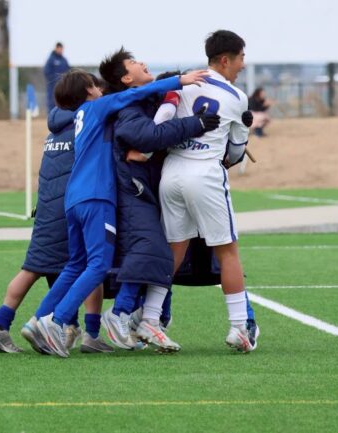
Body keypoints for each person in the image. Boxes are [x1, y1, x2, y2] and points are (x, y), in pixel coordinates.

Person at [29, 67, 209, 358]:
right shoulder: (98, 107)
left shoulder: (80, 116)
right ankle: (56, 321)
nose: (101, 89)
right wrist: (178, 81)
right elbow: (135, 93)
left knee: (76, 264)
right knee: (99, 265)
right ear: (89, 91)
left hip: (74, 198)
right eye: (96, 85)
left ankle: (38, 319)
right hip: (96, 197)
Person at [98, 50, 220, 352]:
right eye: (133, 63)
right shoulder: (128, 106)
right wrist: (195, 124)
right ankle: (119, 313)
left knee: (162, 255)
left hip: (149, 189)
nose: (142, 63)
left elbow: (155, 139)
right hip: (133, 190)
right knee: (151, 249)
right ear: (127, 79)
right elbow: (147, 136)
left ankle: (151, 318)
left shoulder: (147, 102)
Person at [0, 76, 113, 355]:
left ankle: (6, 324)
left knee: (37, 267)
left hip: (46, 207)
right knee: (88, 265)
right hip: (73, 204)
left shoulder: (54, 128)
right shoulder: (86, 123)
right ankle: (87, 333)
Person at [159, 30, 258, 352]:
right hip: (205, 174)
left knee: (174, 251)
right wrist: (239, 137)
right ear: (225, 59)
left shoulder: (183, 82)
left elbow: (163, 122)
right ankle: (240, 327)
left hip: (171, 172)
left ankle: (148, 318)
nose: (243, 65)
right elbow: (235, 152)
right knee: (227, 251)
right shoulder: (236, 96)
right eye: (241, 58)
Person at [44, 42, 70, 113]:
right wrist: (55, 79)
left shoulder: (64, 60)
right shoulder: (51, 59)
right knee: (52, 103)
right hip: (53, 87)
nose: (61, 50)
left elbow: (68, 71)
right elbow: (47, 72)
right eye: (59, 49)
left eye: (62, 49)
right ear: (56, 48)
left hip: (63, 87)